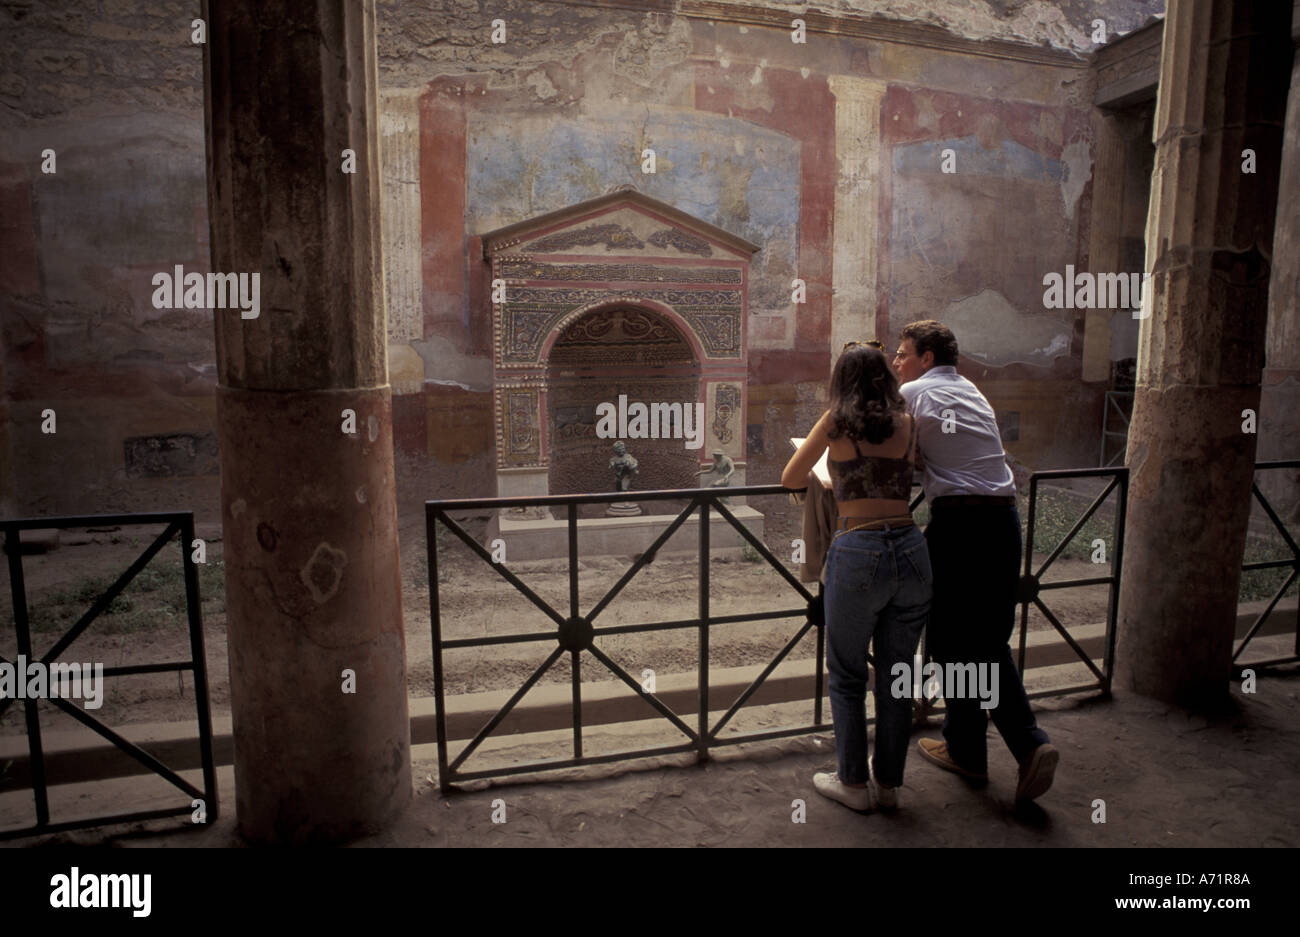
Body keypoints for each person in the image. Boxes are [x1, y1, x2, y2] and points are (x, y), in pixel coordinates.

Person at [893, 319, 1058, 803]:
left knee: (952, 642)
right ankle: (965, 749)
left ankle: (1029, 744)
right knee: (984, 638)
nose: (897, 362)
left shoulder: (913, 393)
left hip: (960, 525)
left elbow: (900, 456)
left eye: (903, 353)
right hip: (1003, 524)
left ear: (925, 358)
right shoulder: (973, 394)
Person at [782, 344, 930, 812]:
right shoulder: (908, 424)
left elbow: (791, 476)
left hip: (858, 548)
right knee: (897, 676)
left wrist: (837, 475)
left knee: (847, 676)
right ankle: (888, 784)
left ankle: (851, 783)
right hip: (911, 548)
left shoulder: (835, 422)